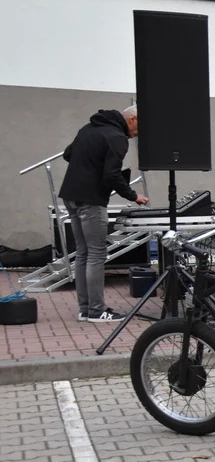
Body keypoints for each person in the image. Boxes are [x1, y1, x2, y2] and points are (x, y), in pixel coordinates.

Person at [58, 106, 149, 322]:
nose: (138, 134)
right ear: (133, 119)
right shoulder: (117, 137)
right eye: (140, 128)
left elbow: (68, 154)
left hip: (70, 195)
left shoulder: (89, 128)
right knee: (97, 254)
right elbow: (112, 175)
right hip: (91, 200)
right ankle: (97, 311)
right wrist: (134, 196)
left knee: (83, 253)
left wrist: (88, 166)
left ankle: (85, 309)